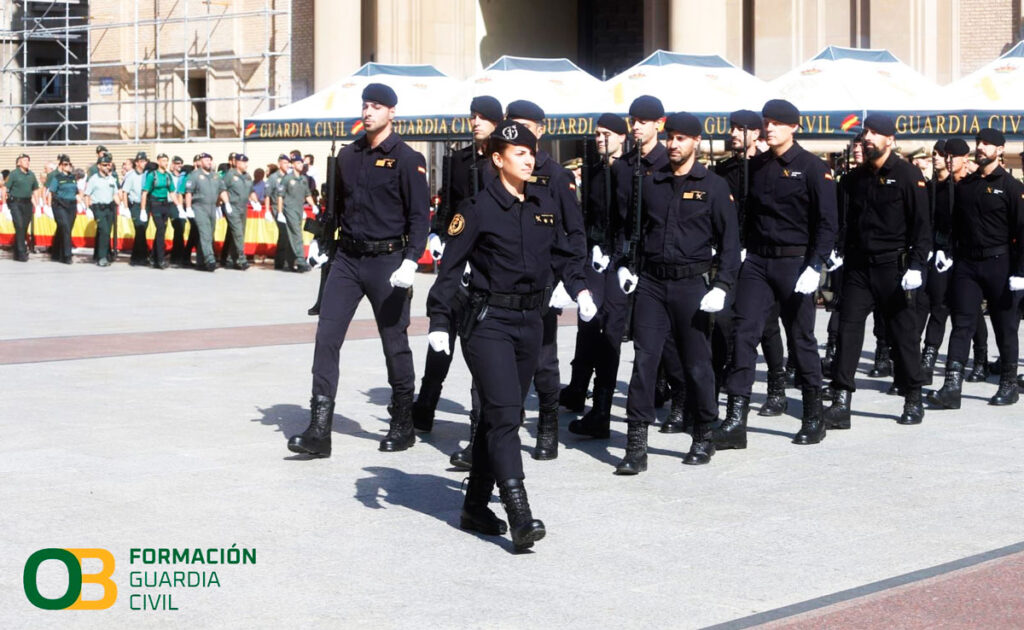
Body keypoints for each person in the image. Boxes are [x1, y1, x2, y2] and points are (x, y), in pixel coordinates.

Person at [426, 120, 590, 551]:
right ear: (497, 159)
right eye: (520, 153)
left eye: (532, 151)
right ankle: (519, 512)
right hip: (488, 323)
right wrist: (439, 322)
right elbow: (450, 270)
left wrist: (581, 287)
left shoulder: (544, 202)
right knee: (504, 416)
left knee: (502, 414)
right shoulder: (476, 208)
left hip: (530, 322)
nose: (529, 158)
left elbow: (566, 254)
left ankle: (474, 505)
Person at [287, 82, 429, 456]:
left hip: (387, 261)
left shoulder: (407, 158)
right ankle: (320, 430)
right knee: (326, 337)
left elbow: (419, 216)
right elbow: (335, 208)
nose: (368, 112)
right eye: (366, 105)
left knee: (394, 342)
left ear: (392, 113)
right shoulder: (348, 156)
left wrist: (412, 260)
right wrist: (322, 241)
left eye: (377, 106)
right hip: (348, 260)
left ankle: (403, 422)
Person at [613, 112, 740, 473]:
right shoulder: (652, 182)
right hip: (652, 284)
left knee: (697, 364)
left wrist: (722, 286)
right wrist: (626, 264)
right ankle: (636, 445)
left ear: (696, 142)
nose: (674, 144)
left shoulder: (713, 187)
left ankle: (703, 433)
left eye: (682, 138)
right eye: (671, 138)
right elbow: (632, 230)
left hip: (690, 284)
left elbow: (730, 244)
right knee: (644, 362)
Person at [717, 99, 838, 447]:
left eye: (776, 123)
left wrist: (817, 265)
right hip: (757, 262)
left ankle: (814, 416)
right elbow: (744, 214)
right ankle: (735, 421)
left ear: (793, 127)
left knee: (801, 340)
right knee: (743, 334)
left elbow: (827, 222)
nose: (768, 128)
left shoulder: (814, 168)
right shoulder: (757, 166)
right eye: (766, 122)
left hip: (795, 262)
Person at [821, 114, 931, 428]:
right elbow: (844, 221)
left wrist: (917, 265)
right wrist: (835, 249)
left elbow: (921, 225)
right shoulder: (854, 179)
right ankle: (841, 400)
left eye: (874, 133)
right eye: (865, 132)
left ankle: (913, 395)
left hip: (892, 267)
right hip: (857, 267)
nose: (867, 137)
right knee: (847, 330)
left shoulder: (908, 175)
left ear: (890, 140)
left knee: (903, 333)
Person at [414, 95, 501, 469]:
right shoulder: (459, 159)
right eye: (473, 116)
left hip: (489, 268)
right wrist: (437, 235)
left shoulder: (502, 160)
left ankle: (477, 432)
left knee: (481, 353)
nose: (476, 121)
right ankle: (424, 408)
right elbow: (448, 206)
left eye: (483, 117)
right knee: (440, 335)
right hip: (456, 259)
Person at [505, 98, 590, 460]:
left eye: (528, 126)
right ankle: (494, 428)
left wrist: (568, 281)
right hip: (503, 280)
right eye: (514, 125)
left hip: (543, 281)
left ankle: (548, 426)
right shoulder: (498, 168)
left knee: (543, 361)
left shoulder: (556, 176)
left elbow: (574, 234)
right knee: (498, 361)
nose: (521, 132)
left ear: (541, 130)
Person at [929, 128, 1024, 408]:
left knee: (1004, 326)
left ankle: (1008, 384)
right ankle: (951, 387)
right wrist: (946, 251)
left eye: (987, 144)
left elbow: (1022, 230)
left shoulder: (1011, 187)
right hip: (967, 265)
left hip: (1000, 263)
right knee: (962, 324)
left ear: (1000, 150)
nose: (981, 148)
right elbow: (953, 225)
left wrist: (1020, 270)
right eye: (978, 143)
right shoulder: (966, 185)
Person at [713, 109, 791, 420]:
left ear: (756, 134)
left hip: (759, 253)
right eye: (731, 127)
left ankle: (776, 388)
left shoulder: (764, 167)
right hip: (729, 252)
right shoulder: (723, 170)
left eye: (739, 129)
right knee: (722, 319)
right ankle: (724, 373)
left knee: (768, 325)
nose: (732, 133)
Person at [560, 112, 627, 416]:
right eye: (598, 134)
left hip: (621, 261)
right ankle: (577, 389)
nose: (600, 139)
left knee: (611, 331)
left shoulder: (630, 172)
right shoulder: (593, 171)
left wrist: (620, 252)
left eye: (607, 134)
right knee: (587, 325)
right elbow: (587, 217)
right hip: (594, 255)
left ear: (622, 137)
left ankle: (601, 406)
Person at [183, 152, 228, 272]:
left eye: (210, 160)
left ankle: (201, 261)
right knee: (205, 233)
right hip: (199, 207)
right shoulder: (194, 175)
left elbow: (222, 190)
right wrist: (188, 208)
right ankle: (209, 259)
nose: (209, 162)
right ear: (201, 161)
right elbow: (189, 192)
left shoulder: (215, 176)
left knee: (210, 233)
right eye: (206, 160)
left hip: (212, 207)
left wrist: (226, 204)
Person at [277, 153, 314, 272]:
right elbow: (280, 196)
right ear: (293, 165)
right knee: (297, 235)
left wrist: (313, 206)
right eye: (298, 163)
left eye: (301, 162)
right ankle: (301, 261)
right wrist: (280, 212)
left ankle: (289, 262)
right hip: (289, 210)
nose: (301, 165)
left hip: (299, 210)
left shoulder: (303, 179)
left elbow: (307, 194)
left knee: (292, 236)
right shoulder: (287, 178)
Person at [140, 153, 177, 269]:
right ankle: (160, 260)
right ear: (159, 161)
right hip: (155, 203)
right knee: (160, 229)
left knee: (162, 231)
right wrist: (142, 209)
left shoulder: (168, 176)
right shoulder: (152, 175)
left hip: (165, 204)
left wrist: (179, 207)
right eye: (163, 160)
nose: (166, 163)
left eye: (167, 160)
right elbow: (145, 192)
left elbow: (172, 192)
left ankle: (154, 256)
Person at [83, 153, 120, 267]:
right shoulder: (93, 179)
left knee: (105, 232)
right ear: (99, 166)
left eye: (109, 164)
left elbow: (115, 194)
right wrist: (87, 209)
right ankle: (102, 258)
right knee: (104, 231)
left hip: (109, 208)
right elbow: (87, 195)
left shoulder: (112, 179)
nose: (107, 167)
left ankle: (98, 254)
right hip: (98, 208)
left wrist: (122, 206)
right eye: (104, 165)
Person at [221, 153, 257, 270]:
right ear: (237, 163)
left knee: (237, 233)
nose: (246, 165)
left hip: (243, 207)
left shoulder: (247, 176)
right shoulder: (229, 175)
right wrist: (226, 204)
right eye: (243, 163)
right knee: (238, 233)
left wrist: (255, 202)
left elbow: (251, 191)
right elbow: (222, 189)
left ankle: (231, 259)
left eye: (246, 162)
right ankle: (241, 259)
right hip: (233, 207)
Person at [46, 154, 79, 264]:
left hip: (72, 205)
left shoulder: (72, 178)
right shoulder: (57, 178)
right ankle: (67, 255)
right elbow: (51, 192)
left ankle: (56, 253)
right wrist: (49, 206)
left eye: (69, 164)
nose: (68, 166)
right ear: (61, 166)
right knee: (65, 228)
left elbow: (77, 192)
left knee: (66, 229)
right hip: (60, 205)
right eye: (65, 164)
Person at [5, 154, 38, 262]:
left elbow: (35, 189)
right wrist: (5, 201)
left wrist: (36, 202)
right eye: (24, 160)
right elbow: (6, 188)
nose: (27, 162)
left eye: (28, 160)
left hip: (27, 203)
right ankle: (22, 252)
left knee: (23, 227)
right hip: (15, 203)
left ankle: (17, 251)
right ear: (19, 163)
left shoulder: (31, 174)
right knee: (19, 225)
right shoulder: (14, 174)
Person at [121, 152, 150, 266]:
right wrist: (126, 207)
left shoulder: (148, 174)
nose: (144, 163)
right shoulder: (131, 175)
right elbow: (125, 192)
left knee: (143, 230)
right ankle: (137, 257)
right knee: (140, 228)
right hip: (136, 205)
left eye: (145, 161)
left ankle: (140, 256)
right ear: (137, 163)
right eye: (142, 161)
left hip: (146, 205)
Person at [266, 154, 292, 270]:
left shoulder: (290, 176)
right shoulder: (273, 177)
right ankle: (280, 262)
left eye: (288, 163)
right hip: (277, 208)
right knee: (284, 234)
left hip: (288, 208)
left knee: (288, 235)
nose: (287, 165)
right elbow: (267, 195)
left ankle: (286, 262)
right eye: (285, 163)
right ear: (279, 164)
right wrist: (267, 210)